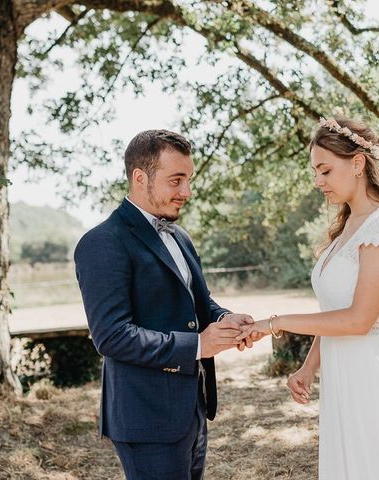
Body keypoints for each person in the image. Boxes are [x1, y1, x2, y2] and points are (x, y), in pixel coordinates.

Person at [239, 117, 379, 479]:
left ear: (357, 163)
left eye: (325, 170)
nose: (317, 181)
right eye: (315, 172)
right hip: (342, 376)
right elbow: (334, 314)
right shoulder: (346, 227)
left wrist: (274, 323)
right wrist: (308, 367)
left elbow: (358, 320)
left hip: (372, 374)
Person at [74, 129, 254, 480]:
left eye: (188, 179)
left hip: (191, 407)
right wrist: (199, 345)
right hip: (145, 418)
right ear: (140, 178)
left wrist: (227, 320)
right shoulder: (102, 243)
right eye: (176, 180)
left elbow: (198, 304)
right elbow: (111, 336)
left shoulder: (180, 235)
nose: (186, 192)